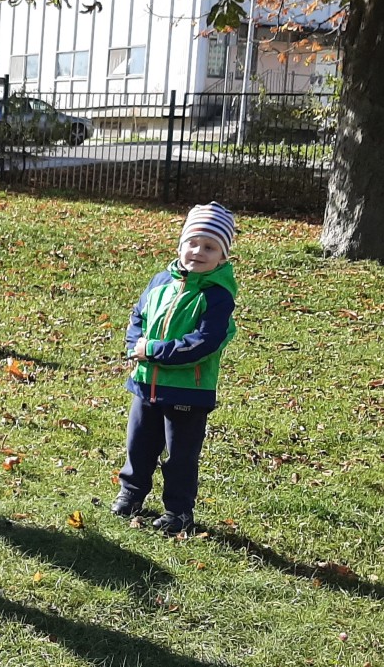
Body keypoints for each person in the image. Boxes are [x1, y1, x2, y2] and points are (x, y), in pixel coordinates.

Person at [111, 202, 238, 534]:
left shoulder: (218, 297)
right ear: (180, 245)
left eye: (210, 247)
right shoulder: (161, 281)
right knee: (139, 443)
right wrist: (133, 345)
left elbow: (204, 343)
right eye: (192, 243)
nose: (198, 251)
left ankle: (179, 511)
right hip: (145, 383)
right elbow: (138, 317)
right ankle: (131, 493)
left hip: (188, 391)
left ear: (222, 257)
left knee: (180, 456)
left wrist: (152, 350)